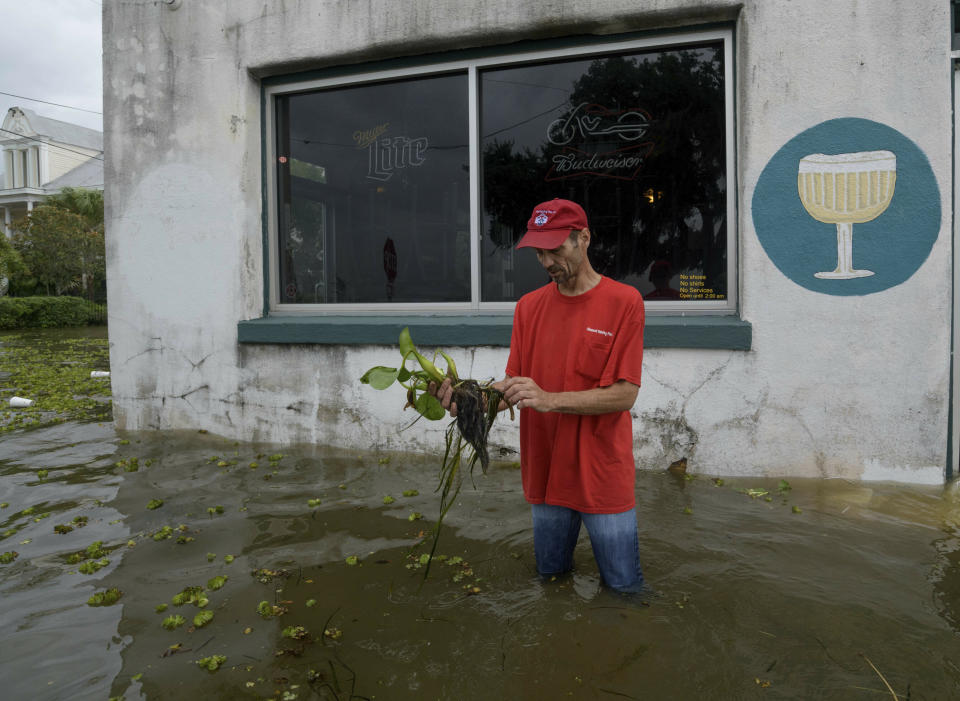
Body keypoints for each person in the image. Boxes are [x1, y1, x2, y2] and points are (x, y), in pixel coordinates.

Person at [434, 198, 646, 593]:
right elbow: (514, 388)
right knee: (550, 581)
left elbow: (624, 395)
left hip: (602, 473)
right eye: (539, 251)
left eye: (556, 249)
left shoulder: (624, 302)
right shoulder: (528, 308)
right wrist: (465, 400)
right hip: (546, 472)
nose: (547, 260)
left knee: (624, 589)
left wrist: (549, 399)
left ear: (583, 238)